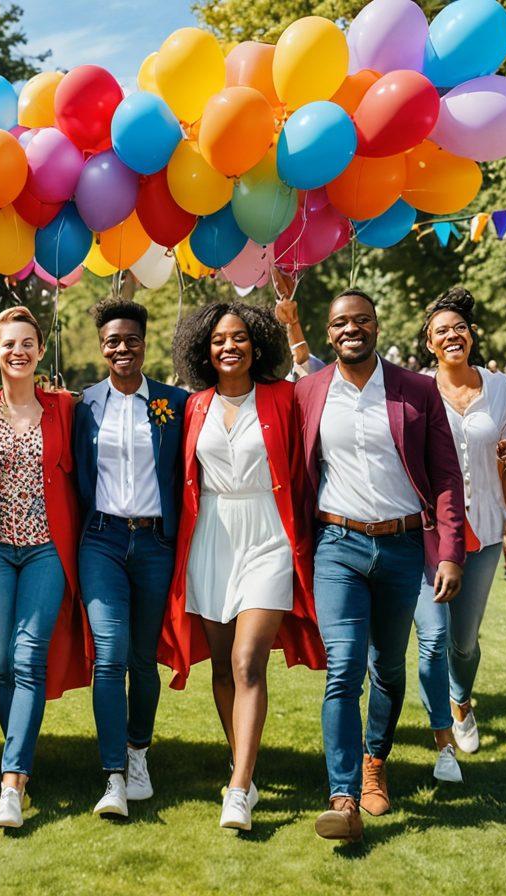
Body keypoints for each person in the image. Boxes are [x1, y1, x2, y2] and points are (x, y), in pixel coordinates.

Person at [294, 289, 464, 843]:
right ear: (328, 333)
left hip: (402, 549)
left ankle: (375, 759)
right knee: (342, 667)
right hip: (337, 545)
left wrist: (450, 553)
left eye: (361, 320)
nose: (351, 329)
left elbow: (445, 477)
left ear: (376, 325)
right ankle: (343, 796)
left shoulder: (417, 390)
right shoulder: (308, 392)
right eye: (341, 322)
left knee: (387, 669)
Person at [159, 302, 325, 831]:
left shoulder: (282, 396)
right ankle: (245, 771)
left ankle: (236, 788)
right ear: (203, 351)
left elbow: (317, 378)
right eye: (217, 340)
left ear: (256, 344)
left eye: (239, 337)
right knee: (224, 661)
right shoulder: (194, 406)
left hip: (269, 535)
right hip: (212, 535)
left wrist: (294, 324)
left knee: (249, 660)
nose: (229, 346)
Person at [0, 306, 89, 829]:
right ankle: (20, 749)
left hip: (45, 550)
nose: (18, 352)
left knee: (28, 656)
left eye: (27, 343)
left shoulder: (65, 408)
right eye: (9, 344)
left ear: (40, 350)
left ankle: (12, 780)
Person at [72, 299, 188, 817]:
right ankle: (113, 774)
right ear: (102, 346)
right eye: (113, 341)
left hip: (155, 544)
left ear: (145, 343)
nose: (122, 348)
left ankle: (139, 753)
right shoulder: (83, 405)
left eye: (131, 339)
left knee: (143, 659)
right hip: (102, 541)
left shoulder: (173, 403)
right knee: (110, 654)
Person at [411, 288, 506, 782]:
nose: (452, 335)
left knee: (464, 641)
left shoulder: (501, 390)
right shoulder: (416, 389)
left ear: (471, 335)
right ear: (429, 344)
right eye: (442, 331)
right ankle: (445, 729)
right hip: (430, 534)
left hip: (485, 529)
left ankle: (462, 697)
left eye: (459, 328)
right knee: (433, 638)